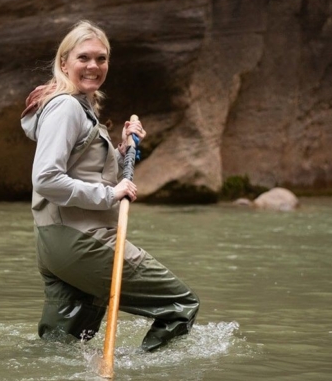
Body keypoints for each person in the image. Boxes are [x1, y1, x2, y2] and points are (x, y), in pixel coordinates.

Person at [20, 20, 199, 352]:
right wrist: (109, 195)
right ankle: (143, 378)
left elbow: (83, 171)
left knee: (62, 348)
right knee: (179, 305)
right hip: (81, 240)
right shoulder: (66, 107)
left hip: (56, 242)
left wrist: (122, 152)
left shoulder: (78, 107)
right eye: (84, 57)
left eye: (101, 59)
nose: (93, 66)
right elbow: (46, 178)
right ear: (64, 63)